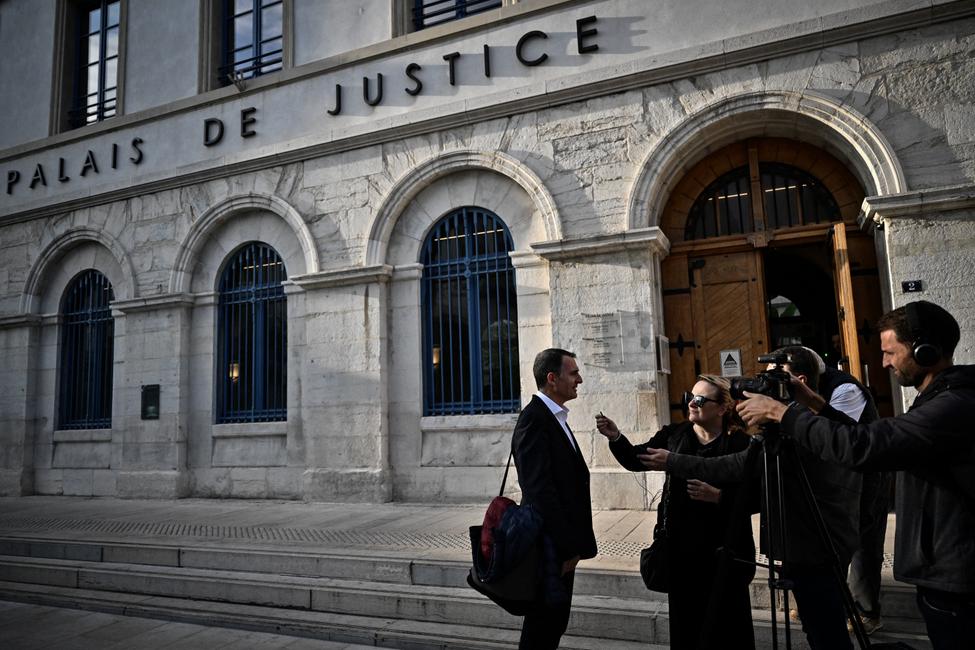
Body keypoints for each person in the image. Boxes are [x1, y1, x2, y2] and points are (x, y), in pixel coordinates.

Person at [736, 300, 975, 650]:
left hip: (957, 581)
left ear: (925, 350)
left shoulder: (954, 405)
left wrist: (782, 413)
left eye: (890, 352)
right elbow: (868, 440)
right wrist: (816, 404)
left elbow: (863, 447)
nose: (885, 362)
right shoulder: (940, 399)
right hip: (945, 577)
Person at [645, 352, 862, 650]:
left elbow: (731, 468)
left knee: (827, 632)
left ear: (799, 383)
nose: (762, 389)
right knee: (819, 628)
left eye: (773, 381)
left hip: (817, 547)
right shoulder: (803, 424)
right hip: (804, 546)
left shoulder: (808, 430)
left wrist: (673, 461)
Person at [596, 376, 756, 650]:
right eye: (689, 397)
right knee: (687, 628)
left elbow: (757, 496)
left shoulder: (741, 444)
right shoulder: (675, 435)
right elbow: (636, 459)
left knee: (730, 628)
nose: (692, 403)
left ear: (722, 408)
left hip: (725, 552)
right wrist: (616, 437)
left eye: (701, 400)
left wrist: (720, 497)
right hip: (683, 553)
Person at [775, 346, 890, 635]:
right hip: (833, 475)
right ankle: (827, 600)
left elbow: (832, 433)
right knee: (831, 537)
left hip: (865, 474)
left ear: (804, 377)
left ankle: (866, 611)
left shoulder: (846, 389)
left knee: (864, 539)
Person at [511, 348, 597, 649]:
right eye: (573, 374)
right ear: (552, 378)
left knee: (553, 624)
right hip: (551, 547)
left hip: (559, 545)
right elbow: (539, 491)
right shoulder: (534, 419)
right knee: (542, 627)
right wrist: (567, 547)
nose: (579, 380)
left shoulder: (554, 416)